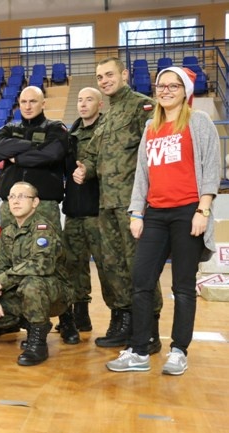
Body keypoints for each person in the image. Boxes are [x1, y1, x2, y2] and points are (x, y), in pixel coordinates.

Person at [106, 67, 221, 375]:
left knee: (183, 287)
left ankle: (179, 350)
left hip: (188, 212)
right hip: (155, 213)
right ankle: (140, 350)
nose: (166, 90)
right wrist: (137, 211)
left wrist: (204, 209)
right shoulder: (150, 126)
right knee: (141, 282)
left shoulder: (199, 121)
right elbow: (142, 174)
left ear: (185, 91)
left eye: (173, 86)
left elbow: (211, 167)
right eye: (161, 85)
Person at [73, 57, 162, 353]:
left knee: (140, 267)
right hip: (107, 205)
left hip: (133, 204)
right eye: (100, 77)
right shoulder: (108, 116)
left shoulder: (143, 106)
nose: (104, 80)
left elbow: (154, 151)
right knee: (114, 267)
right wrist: (85, 168)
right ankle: (124, 324)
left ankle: (150, 330)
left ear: (123, 74)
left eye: (109, 75)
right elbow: (97, 156)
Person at [0, 182, 74, 366]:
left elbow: (41, 264)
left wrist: (4, 280)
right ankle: (32, 325)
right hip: (24, 294)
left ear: (35, 202)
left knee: (32, 284)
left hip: (54, 295)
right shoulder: (8, 232)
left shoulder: (43, 229)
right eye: (12, 197)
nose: (16, 201)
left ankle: (38, 344)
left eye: (22, 197)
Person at [59, 87, 106, 337]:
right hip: (74, 212)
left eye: (89, 99)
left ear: (100, 105)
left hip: (100, 212)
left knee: (107, 266)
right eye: (79, 99)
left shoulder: (107, 131)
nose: (83, 103)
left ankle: (120, 318)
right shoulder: (70, 136)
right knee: (73, 266)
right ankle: (81, 316)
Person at [0, 85, 69, 230]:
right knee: (9, 251)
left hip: (44, 205)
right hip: (11, 206)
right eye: (23, 102)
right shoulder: (10, 129)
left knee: (46, 251)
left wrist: (17, 158)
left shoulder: (55, 128)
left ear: (43, 104)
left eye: (32, 101)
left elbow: (52, 154)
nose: (27, 106)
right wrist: (35, 145)